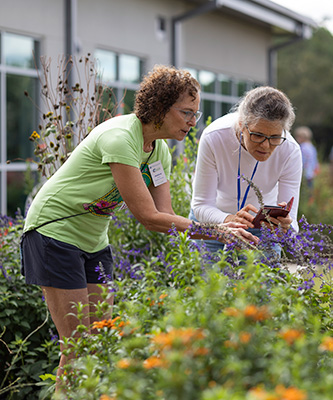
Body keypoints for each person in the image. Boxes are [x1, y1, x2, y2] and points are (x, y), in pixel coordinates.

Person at [20, 65, 258, 389]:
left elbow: (166, 217)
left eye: (196, 114)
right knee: (77, 346)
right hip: (53, 234)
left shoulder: (158, 151)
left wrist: (223, 222)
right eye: (186, 112)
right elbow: (147, 217)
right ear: (160, 107)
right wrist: (218, 234)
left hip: (93, 241)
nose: (192, 122)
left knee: (100, 339)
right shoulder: (121, 139)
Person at [190, 86, 302, 254]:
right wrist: (230, 220)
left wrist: (285, 227)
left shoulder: (290, 150)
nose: (265, 145)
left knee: (263, 281)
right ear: (242, 125)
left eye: (275, 137)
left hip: (261, 229)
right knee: (205, 279)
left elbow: (292, 224)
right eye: (257, 135)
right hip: (214, 221)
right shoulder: (214, 137)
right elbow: (201, 206)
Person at [294, 126, 319, 192]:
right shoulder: (312, 147)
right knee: (310, 191)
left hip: (304, 173)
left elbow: (300, 161)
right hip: (311, 173)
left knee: (304, 191)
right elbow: (315, 160)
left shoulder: (302, 147)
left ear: (303, 137)